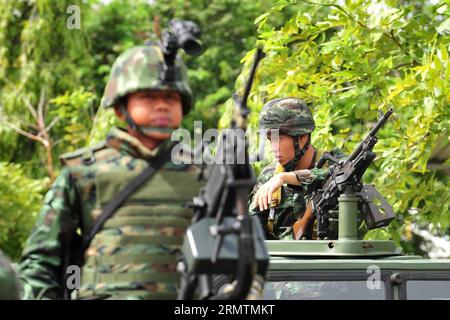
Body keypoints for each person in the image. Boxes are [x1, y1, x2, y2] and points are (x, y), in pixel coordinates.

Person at [18, 44, 205, 300]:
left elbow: (239, 259)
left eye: (171, 98)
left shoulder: (206, 173)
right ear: (120, 107)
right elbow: (40, 262)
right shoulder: (84, 171)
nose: (162, 106)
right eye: (149, 97)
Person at [248, 98, 344, 240]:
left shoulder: (335, 163)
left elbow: (336, 175)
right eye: (271, 140)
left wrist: (284, 178)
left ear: (303, 138)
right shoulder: (269, 177)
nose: (274, 149)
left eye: (279, 139)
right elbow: (250, 231)